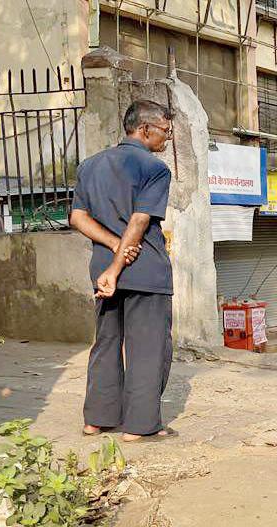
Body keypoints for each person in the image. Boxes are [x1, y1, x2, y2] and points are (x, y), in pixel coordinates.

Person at [68, 100, 177, 443]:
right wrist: (120, 263)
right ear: (145, 129)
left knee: (107, 341)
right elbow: (140, 220)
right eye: (165, 131)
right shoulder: (154, 168)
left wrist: (113, 250)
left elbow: (78, 218)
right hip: (143, 270)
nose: (167, 138)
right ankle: (140, 426)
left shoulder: (90, 165)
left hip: (102, 269)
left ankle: (97, 420)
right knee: (148, 347)